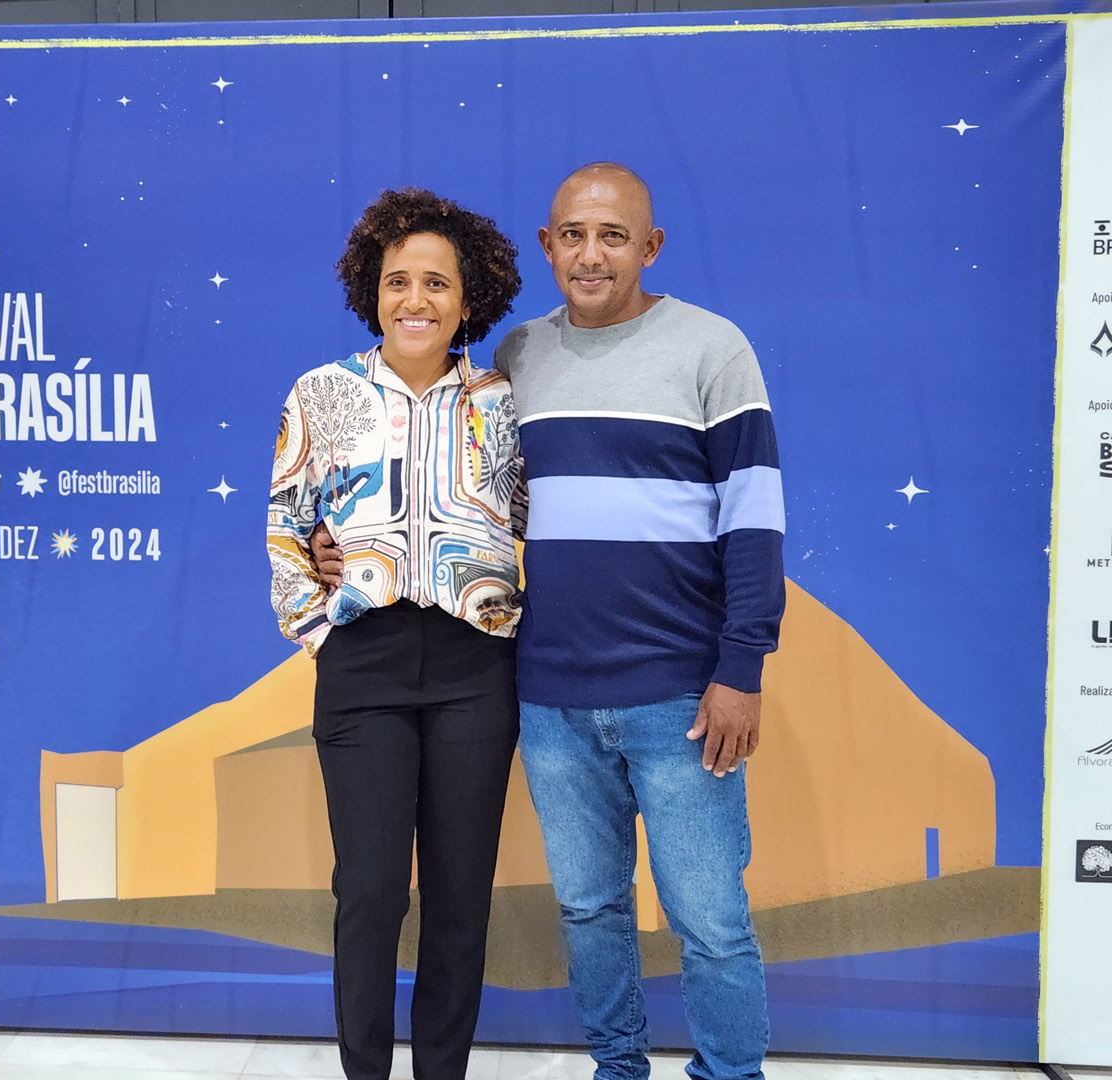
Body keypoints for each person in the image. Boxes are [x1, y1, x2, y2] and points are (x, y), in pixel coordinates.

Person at [312, 163, 785, 1080]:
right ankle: (618, 1069)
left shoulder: (712, 349)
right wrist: (341, 545)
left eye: (614, 235)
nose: (591, 254)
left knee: (710, 920)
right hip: (552, 694)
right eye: (573, 234)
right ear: (547, 245)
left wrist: (742, 667)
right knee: (590, 911)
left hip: (681, 693)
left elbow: (755, 518)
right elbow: (469, 502)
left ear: (651, 247)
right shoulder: (517, 362)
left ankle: (730, 1074)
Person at [267, 187, 525, 1080]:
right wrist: (321, 628)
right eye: (397, 282)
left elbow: (533, 518)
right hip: (364, 664)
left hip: (474, 667)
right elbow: (286, 527)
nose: (416, 300)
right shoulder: (322, 394)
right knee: (371, 891)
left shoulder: (503, 401)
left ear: (470, 296)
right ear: (370, 292)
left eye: (437, 283)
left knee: (460, 898)